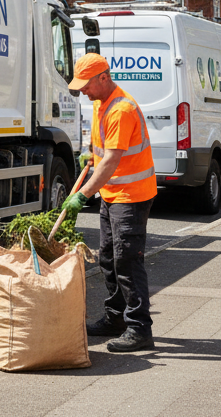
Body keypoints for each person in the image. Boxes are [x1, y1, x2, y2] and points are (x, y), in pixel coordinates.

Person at [60, 53, 157, 352]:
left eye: (86, 85)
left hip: (132, 196)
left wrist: (82, 194)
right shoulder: (101, 102)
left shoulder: (121, 109)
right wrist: (90, 154)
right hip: (113, 195)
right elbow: (103, 151)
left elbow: (113, 160)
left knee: (127, 261)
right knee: (108, 260)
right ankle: (115, 319)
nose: (82, 91)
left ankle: (139, 329)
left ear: (103, 77)